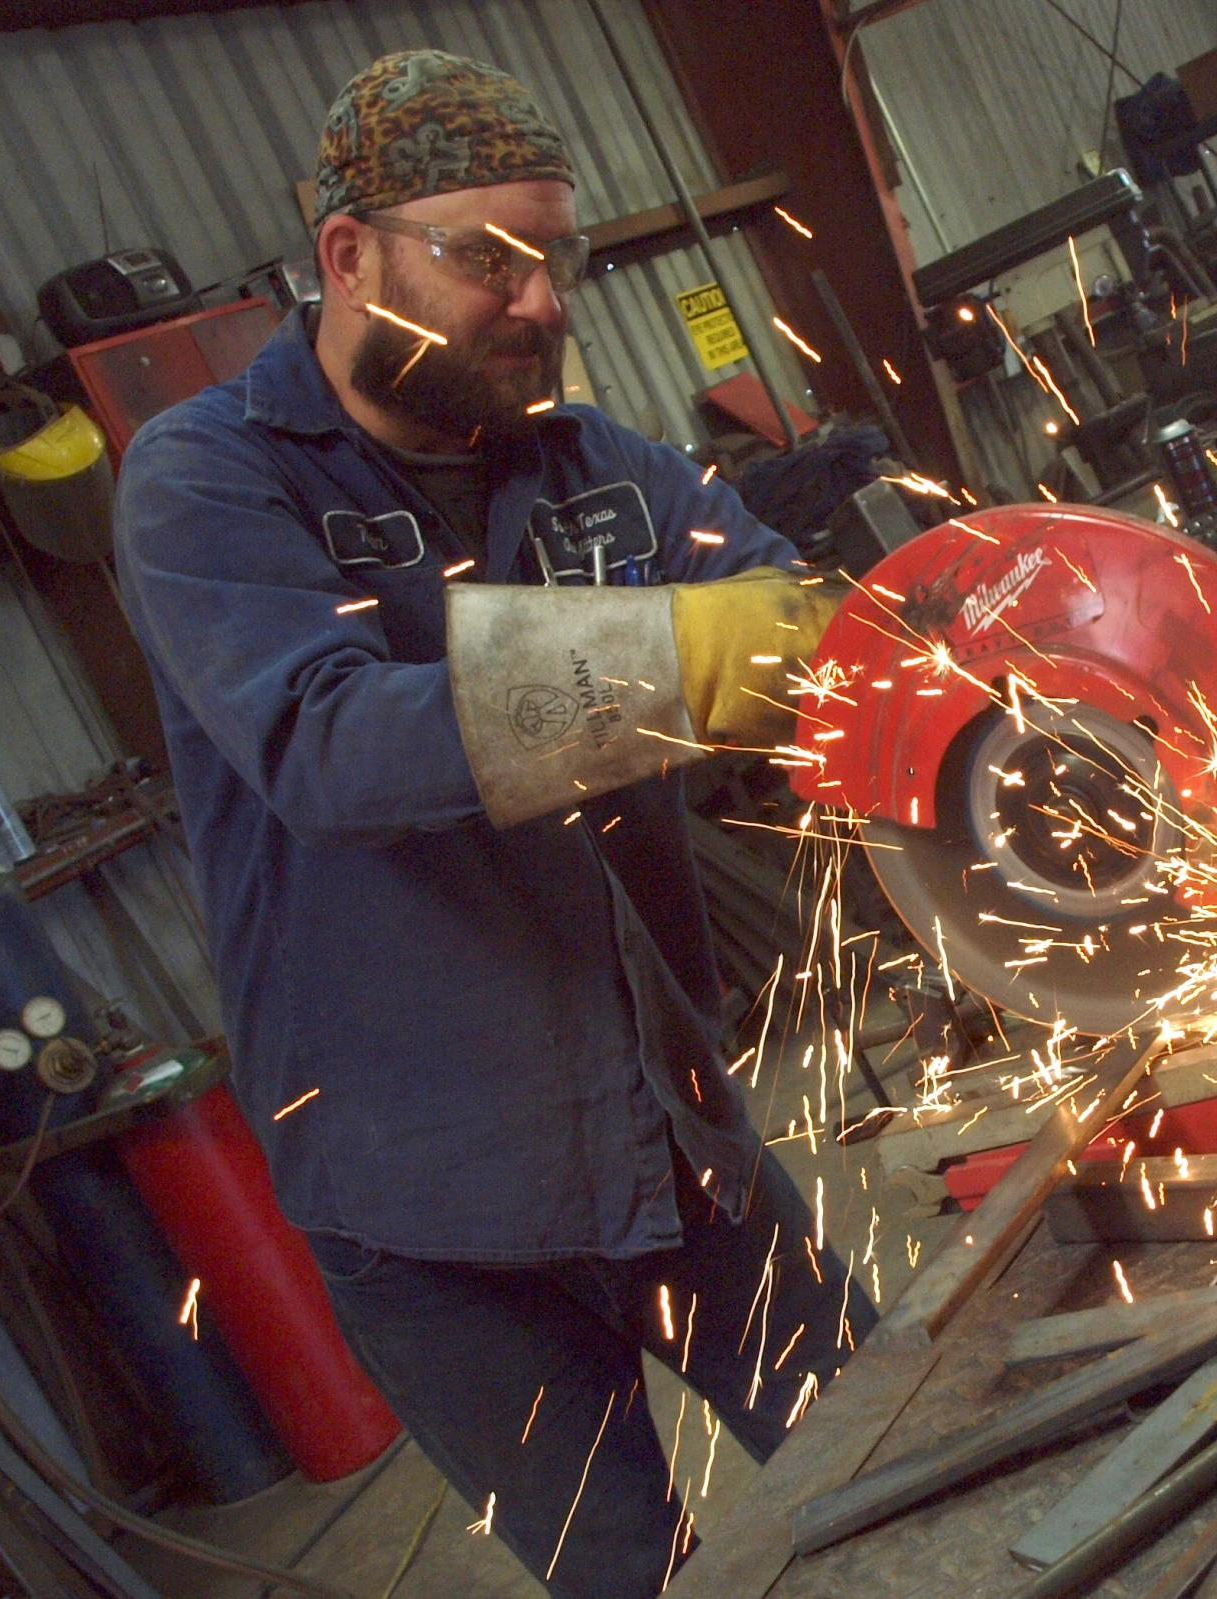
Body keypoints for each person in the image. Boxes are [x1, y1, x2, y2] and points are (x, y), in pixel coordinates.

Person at [113, 49, 872, 1597]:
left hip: (676, 1139)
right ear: (348, 254)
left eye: (558, 260)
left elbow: (825, 623)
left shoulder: (600, 467)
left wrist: (1041, 608)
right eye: (485, 260)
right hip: (430, 1212)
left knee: (899, 1464)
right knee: (630, 1580)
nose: (536, 304)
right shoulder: (207, 481)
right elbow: (330, 739)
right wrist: (691, 657)